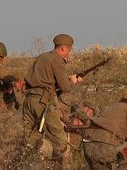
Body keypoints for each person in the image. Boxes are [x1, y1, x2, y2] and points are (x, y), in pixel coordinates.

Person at [21, 34, 82, 163]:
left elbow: (42, 81)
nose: (68, 53)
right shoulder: (57, 60)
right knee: (60, 140)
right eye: (69, 50)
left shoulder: (43, 57)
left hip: (29, 100)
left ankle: (21, 167)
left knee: (31, 140)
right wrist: (73, 81)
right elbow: (65, 88)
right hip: (44, 104)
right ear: (64, 49)